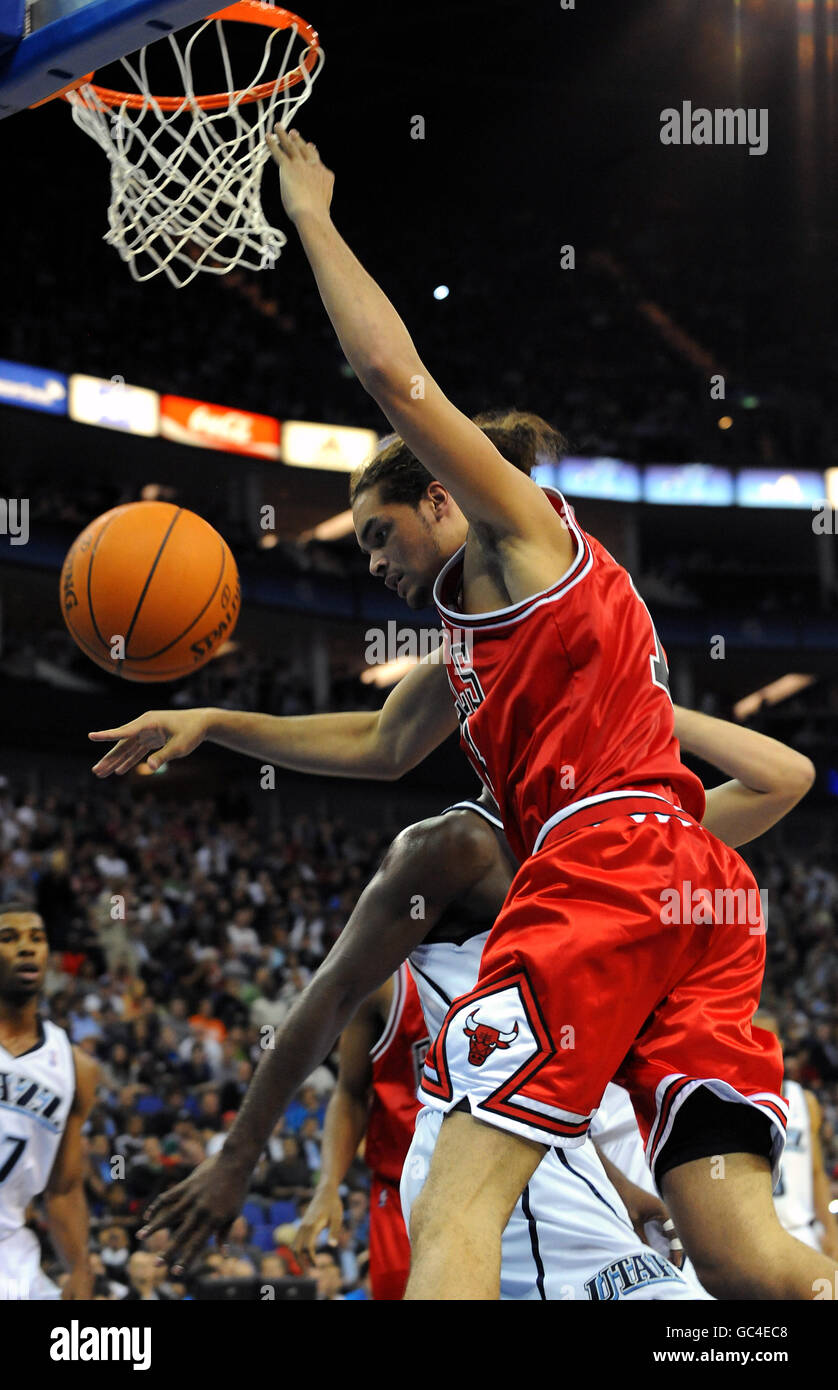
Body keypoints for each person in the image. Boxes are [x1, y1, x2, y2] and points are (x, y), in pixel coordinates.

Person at [92, 131, 838, 1300]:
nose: (372, 560)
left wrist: (312, 220)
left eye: (379, 532)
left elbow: (397, 383)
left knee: (451, 1206)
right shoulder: (475, 636)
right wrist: (217, 719)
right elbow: (384, 744)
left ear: (439, 497)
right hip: (694, 887)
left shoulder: (522, 534)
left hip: (602, 864)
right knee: (758, 1267)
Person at [136, 707, 813, 1296]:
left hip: (582, 1151)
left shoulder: (636, 840)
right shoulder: (460, 847)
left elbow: (785, 778)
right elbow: (333, 993)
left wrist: (653, 706)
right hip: (495, 1151)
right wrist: (236, 1159)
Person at [295, 967, 430, 1300]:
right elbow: (350, 1092)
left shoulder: (514, 954)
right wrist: (328, 1184)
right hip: (402, 1192)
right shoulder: (385, 980)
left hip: (496, 1179)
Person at [0, 903, 99, 1300]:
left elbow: (63, 1187)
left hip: (10, 1251)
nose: (27, 948)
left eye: (37, 939)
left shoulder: (76, 1067)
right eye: (9, 938)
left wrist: (79, 1266)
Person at [755, 1013, 838, 1260]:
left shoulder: (804, 1100)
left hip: (801, 1231)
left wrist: (832, 1233)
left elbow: (816, 1173)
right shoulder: (729, 1102)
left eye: (765, 1039)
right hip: (755, 1239)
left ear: (779, 1045)